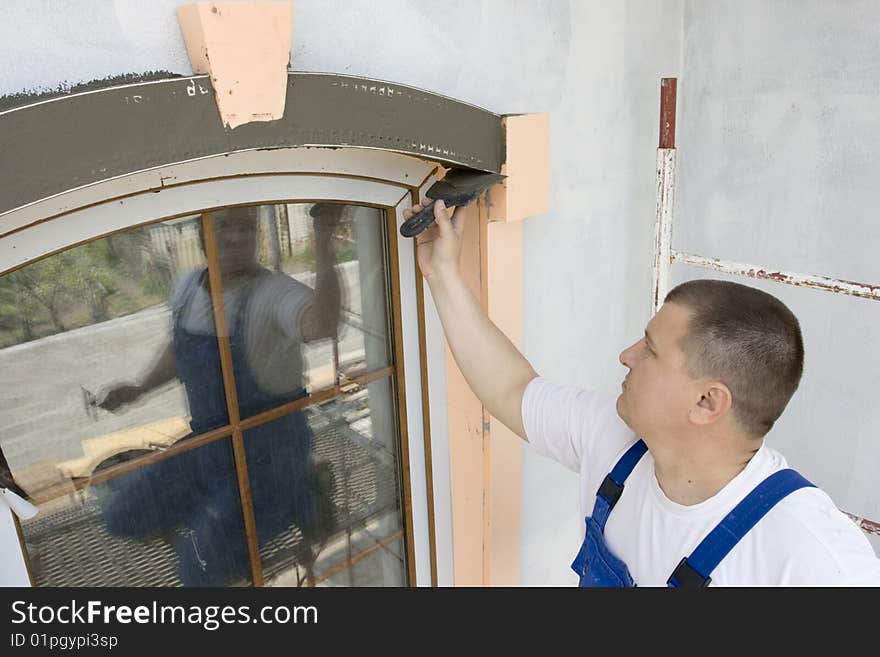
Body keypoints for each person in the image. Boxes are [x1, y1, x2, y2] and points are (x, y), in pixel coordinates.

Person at [408, 198, 880, 587]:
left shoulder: (812, 557)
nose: (626, 355)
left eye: (650, 350)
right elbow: (510, 390)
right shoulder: (614, 441)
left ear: (707, 402)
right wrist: (442, 273)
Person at [94, 203, 342, 586]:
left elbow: (322, 324)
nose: (236, 236)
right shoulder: (187, 288)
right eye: (224, 226)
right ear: (200, 234)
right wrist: (140, 387)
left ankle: (302, 490)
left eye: (246, 228)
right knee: (120, 516)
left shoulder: (272, 293)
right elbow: (179, 350)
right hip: (210, 447)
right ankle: (215, 522)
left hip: (270, 461)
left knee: (198, 572)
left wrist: (324, 242)